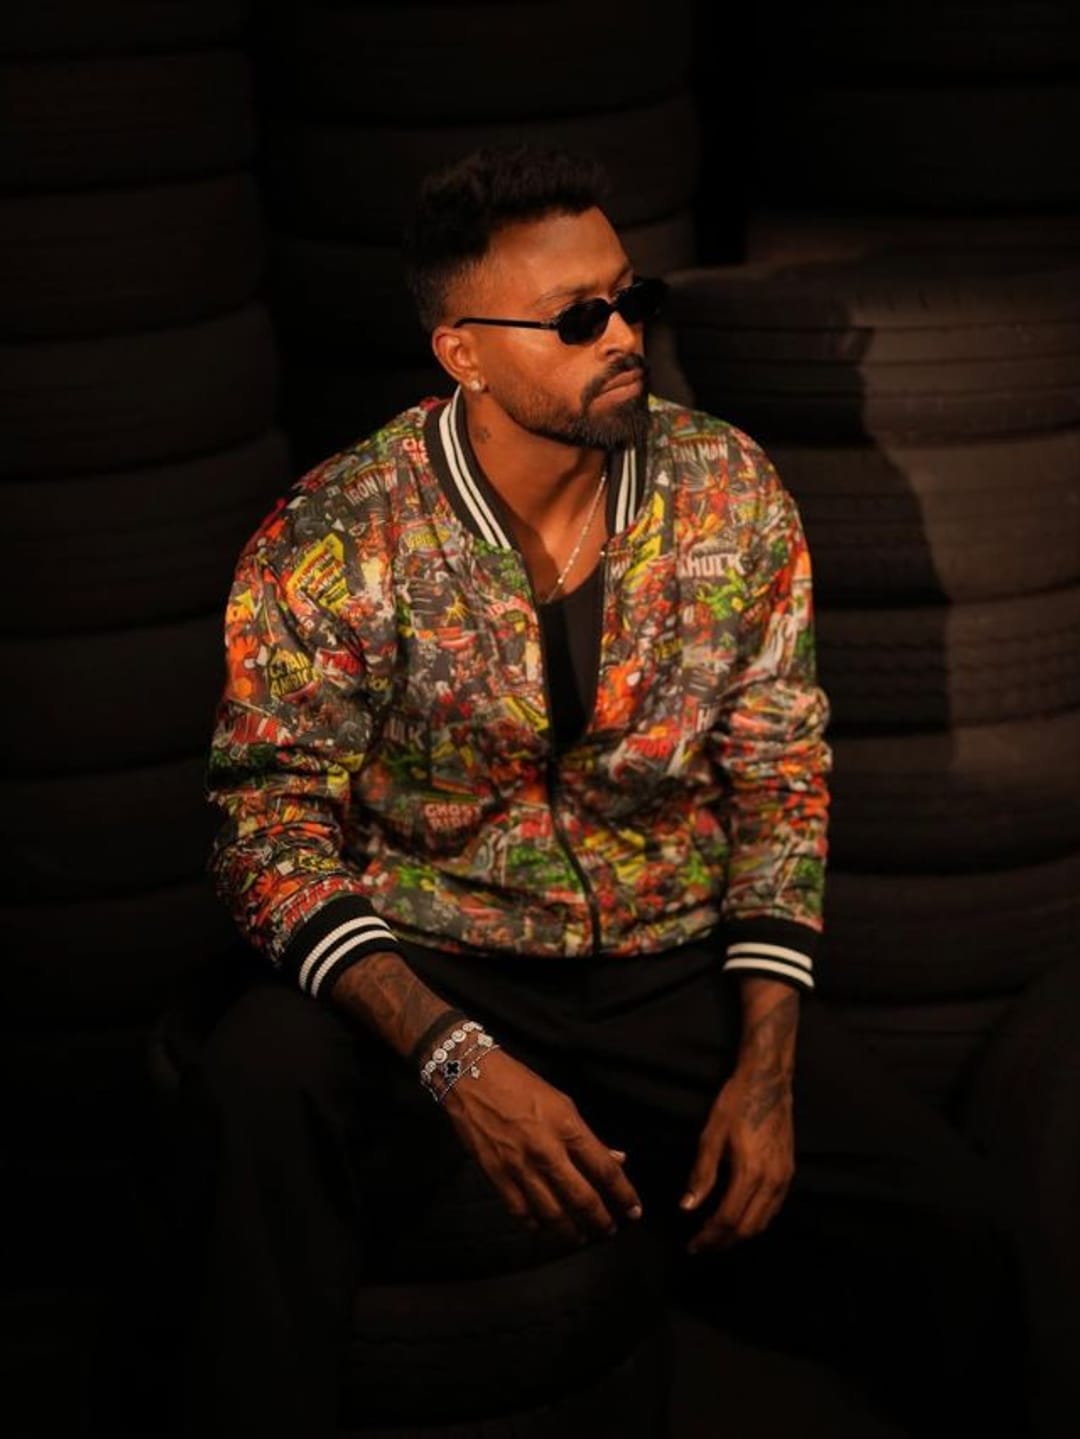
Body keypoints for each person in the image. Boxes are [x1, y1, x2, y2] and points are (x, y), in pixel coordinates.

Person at [172, 146, 1031, 1437]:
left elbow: (781, 776)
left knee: (966, 1234)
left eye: (633, 300)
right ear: (464, 353)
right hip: (429, 946)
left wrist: (765, 1068)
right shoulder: (337, 534)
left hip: (659, 960)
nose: (625, 336)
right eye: (578, 319)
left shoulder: (730, 491)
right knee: (257, 1087)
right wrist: (452, 1055)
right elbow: (263, 828)